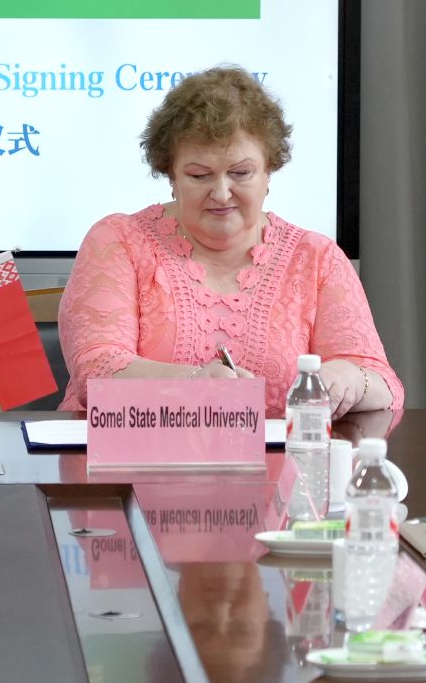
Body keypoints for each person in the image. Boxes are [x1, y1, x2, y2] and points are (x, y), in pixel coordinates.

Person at [58, 66, 402, 419]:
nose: (221, 193)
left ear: (269, 171)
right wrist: (193, 385)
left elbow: (384, 385)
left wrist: (351, 378)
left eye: (240, 173)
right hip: (124, 453)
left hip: (284, 455)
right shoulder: (119, 242)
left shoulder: (317, 258)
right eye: (199, 175)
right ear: (171, 175)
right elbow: (96, 368)